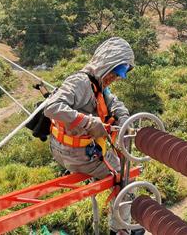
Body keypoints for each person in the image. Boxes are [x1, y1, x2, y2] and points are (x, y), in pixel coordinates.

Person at [43, 37, 143, 235]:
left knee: (120, 167)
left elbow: (115, 103)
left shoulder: (97, 84)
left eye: (116, 77)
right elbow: (51, 107)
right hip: (78, 155)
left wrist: (122, 119)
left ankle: (121, 222)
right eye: (113, 74)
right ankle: (121, 229)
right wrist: (88, 122)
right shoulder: (79, 82)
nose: (113, 79)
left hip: (74, 152)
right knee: (125, 178)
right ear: (105, 66)